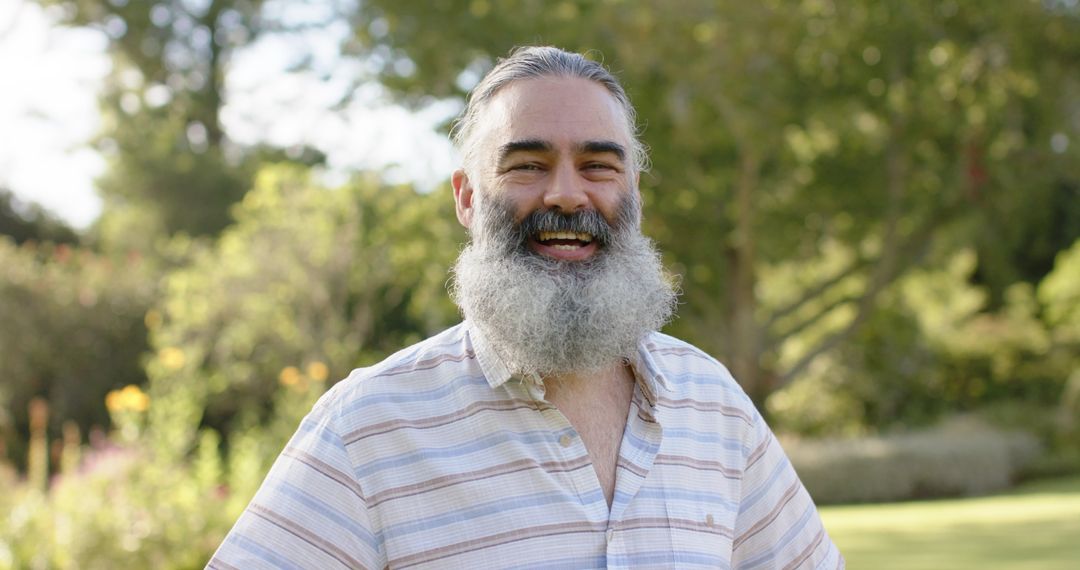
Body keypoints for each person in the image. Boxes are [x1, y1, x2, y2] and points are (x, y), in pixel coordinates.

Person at [208, 46, 843, 569]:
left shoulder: (713, 404)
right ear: (466, 198)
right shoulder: (367, 427)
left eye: (598, 166)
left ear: (636, 195)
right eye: (527, 165)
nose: (568, 195)